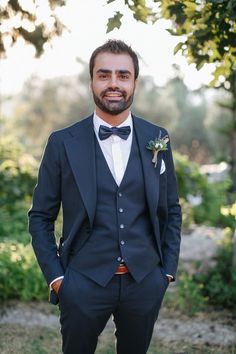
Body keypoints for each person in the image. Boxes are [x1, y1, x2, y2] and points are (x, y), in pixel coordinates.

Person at [28, 39, 181, 354]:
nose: (114, 84)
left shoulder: (158, 138)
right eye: (104, 75)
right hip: (81, 283)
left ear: (134, 82)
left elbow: (171, 209)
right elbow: (40, 217)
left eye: (123, 76)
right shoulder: (62, 143)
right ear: (92, 81)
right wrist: (58, 278)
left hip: (145, 282)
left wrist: (165, 273)